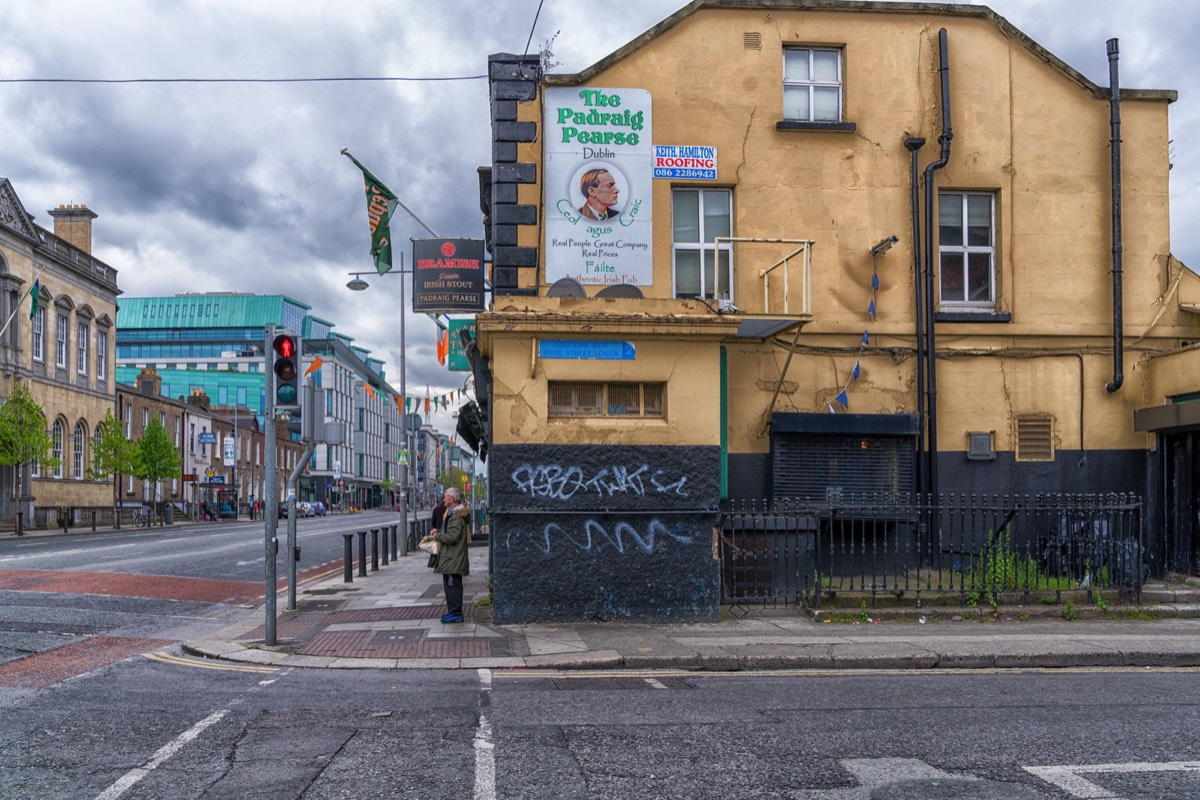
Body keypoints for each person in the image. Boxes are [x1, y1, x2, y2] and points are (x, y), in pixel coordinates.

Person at [422, 487, 470, 624]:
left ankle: (455, 613)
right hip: (451, 556)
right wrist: (438, 530)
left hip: (452, 557)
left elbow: (452, 537)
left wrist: (437, 536)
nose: (444, 499)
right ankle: (453, 612)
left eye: (446, 497)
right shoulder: (454, 514)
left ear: (452, 499)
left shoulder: (455, 516)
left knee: (452, 586)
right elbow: (451, 533)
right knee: (451, 585)